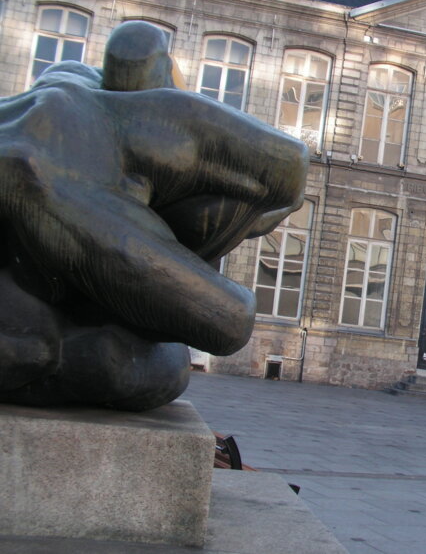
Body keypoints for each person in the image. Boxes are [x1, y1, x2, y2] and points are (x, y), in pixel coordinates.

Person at [0, 21, 308, 410]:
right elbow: (228, 320)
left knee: (122, 359)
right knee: (209, 329)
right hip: (54, 197)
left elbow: (134, 46)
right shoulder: (148, 137)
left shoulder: (65, 81)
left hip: (41, 243)